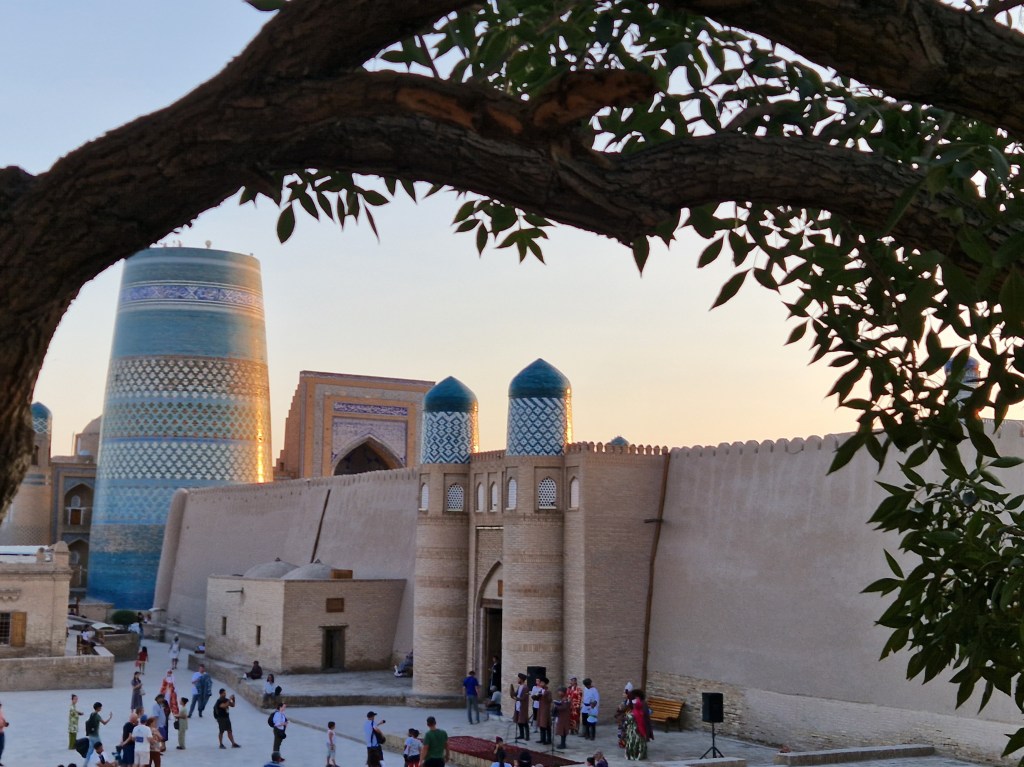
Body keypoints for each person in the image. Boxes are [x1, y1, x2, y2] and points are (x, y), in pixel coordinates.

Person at [624, 690, 652, 761]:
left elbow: (645, 718)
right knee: (638, 742)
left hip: (638, 728)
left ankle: (635, 755)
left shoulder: (642, 705)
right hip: (637, 728)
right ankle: (638, 754)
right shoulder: (636, 704)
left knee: (636, 741)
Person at [84, 701, 112, 766]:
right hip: (96, 737)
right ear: (98, 708)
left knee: (89, 753)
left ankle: (84, 765)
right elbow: (104, 723)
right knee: (101, 751)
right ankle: (104, 764)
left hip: (90, 736)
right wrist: (110, 717)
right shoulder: (97, 716)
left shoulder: (92, 714)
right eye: (100, 707)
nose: (101, 708)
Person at [512, 673, 530, 741]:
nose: (518, 680)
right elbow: (516, 694)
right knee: (519, 721)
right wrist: (512, 692)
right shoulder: (519, 687)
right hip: (518, 705)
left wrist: (518, 699)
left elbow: (524, 698)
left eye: (519, 679)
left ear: (521, 679)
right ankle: (521, 735)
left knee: (524, 722)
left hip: (523, 707)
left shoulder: (526, 688)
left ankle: (527, 736)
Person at [535, 677, 552, 745]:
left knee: (546, 725)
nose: (541, 684)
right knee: (542, 725)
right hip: (541, 709)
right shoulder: (540, 691)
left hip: (545, 710)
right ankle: (542, 739)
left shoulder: (548, 692)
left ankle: (548, 740)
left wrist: (544, 695)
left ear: (545, 684)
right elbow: (538, 698)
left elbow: (549, 700)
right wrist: (536, 696)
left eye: (542, 682)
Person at [0, 701, 7, 767]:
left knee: (1, 747)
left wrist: (5, 723)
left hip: (1, 733)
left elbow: (2, 719)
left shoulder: (1, 712)